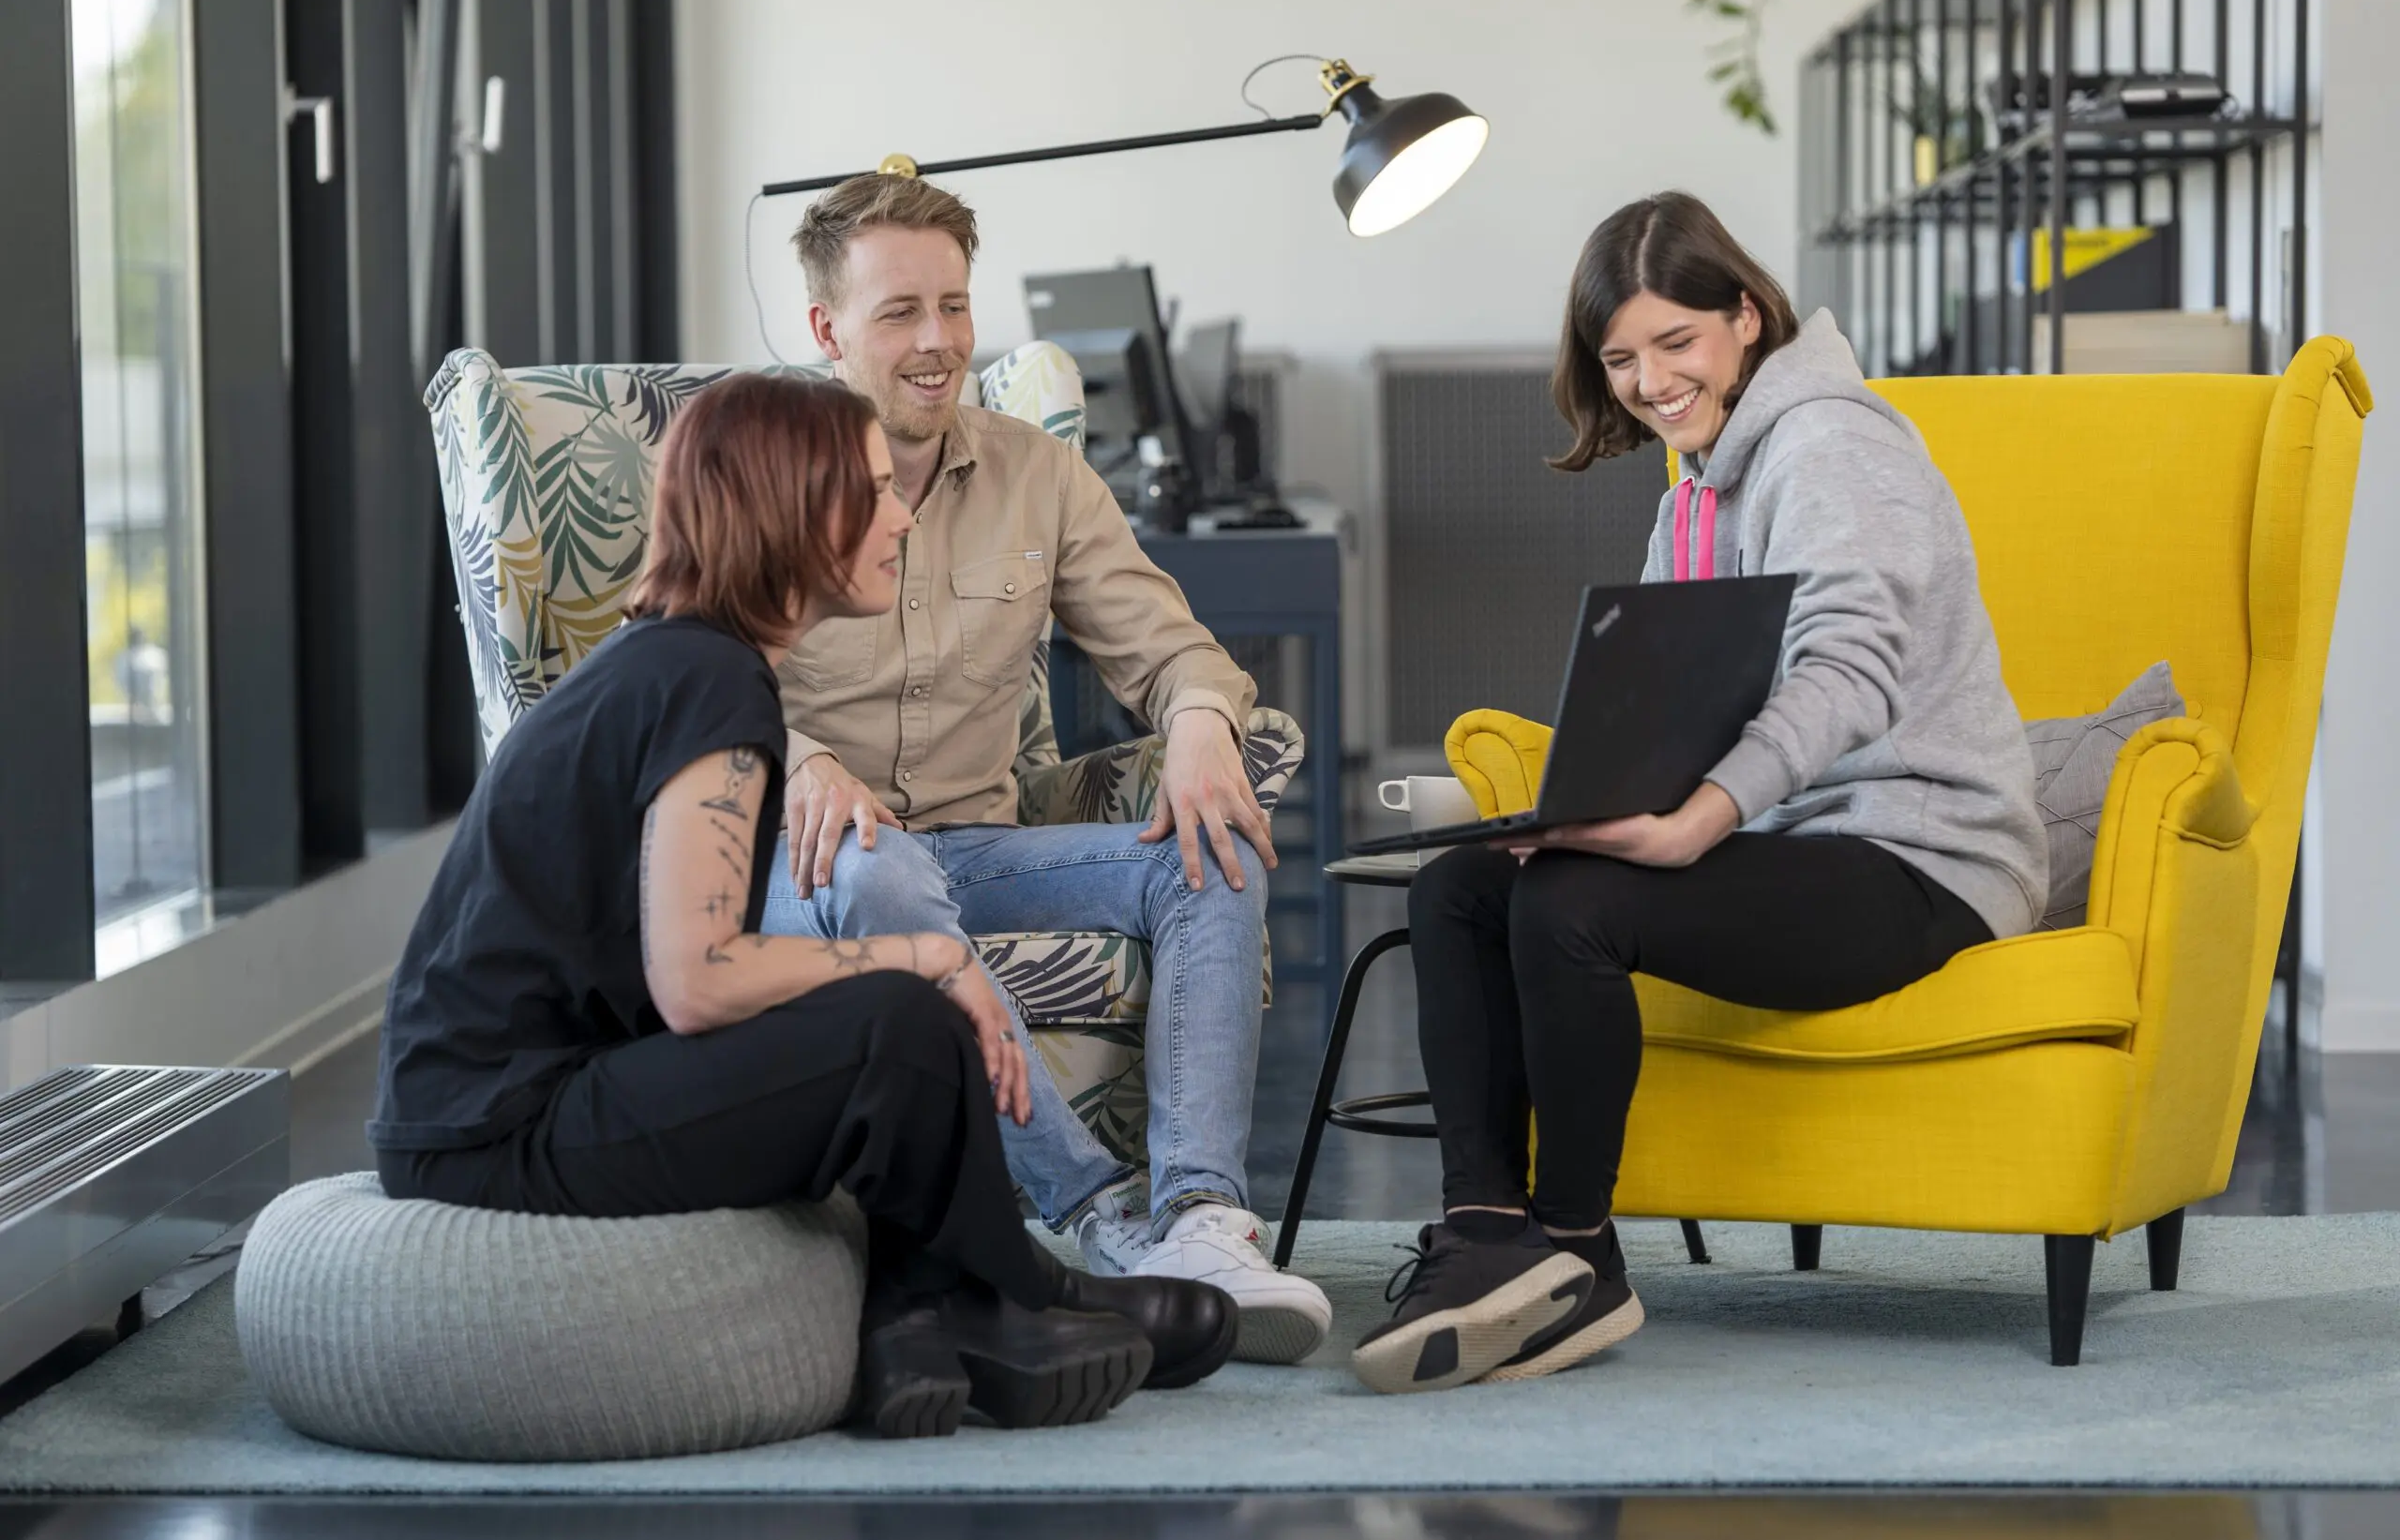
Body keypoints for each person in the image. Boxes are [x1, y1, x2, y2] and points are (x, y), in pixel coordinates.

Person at [368, 373, 1236, 1439]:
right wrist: (926, 958)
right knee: (901, 1015)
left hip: (512, 1101)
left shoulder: (679, 662)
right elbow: (699, 979)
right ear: (792, 511)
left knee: (893, 1022)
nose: (903, 517)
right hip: (498, 1129)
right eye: (870, 494)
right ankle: (1016, 1293)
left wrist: (917, 969)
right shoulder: (708, 681)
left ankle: (929, 1309)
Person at [1353, 192, 2047, 1396]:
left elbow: (1848, 668)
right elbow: (1670, 689)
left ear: (1745, 314)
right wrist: (1582, 802)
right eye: (1621, 357)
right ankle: (1481, 1235)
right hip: (1799, 842)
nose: (1650, 379)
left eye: (1675, 342)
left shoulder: (1831, 444)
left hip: (1920, 857)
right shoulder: (1695, 478)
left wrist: (1699, 816)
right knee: (1463, 882)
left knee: (1572, 906)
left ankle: (1575, 1255)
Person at [755, 173, 1333, 1363]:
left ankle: (1200, 1216)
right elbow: (668, 675)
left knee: (1207, 853)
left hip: (973, 848)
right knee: (880, 881)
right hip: (811, 864)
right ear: (826, 330)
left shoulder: (1037, 473)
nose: (937, 343)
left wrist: (1198, 724)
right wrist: (795, 759)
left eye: (955, 307)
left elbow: (1173, 650)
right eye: (900, 311)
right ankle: (1097, 1214)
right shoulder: (756, 463)